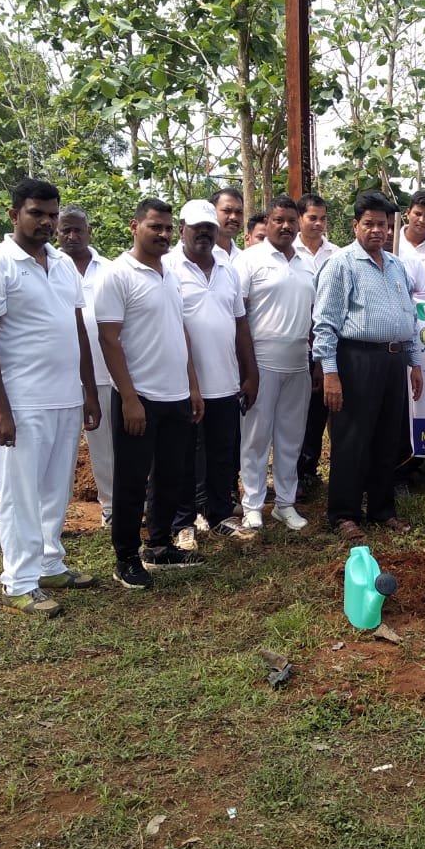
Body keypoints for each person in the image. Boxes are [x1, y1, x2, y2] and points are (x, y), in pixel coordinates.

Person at [0, 178, 101, 617]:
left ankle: (49, 563)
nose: (46, 222)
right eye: (36, 213)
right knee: (20, 493)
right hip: (22, 401)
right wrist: (1, 408)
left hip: (65, 397)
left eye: (52, 215)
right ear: (14, 215)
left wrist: (88, 391)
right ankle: (19, 581)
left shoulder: (62, 264)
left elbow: (77, 330)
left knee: (55, 489)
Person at [97, 198, 204, 586]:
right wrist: (129, 398)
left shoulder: (169, 273)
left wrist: (192, 386)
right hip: (139, 397)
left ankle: (159, 546)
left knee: (171, 476)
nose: (163, 234)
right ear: (135, 226)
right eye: (155, 226)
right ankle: (125, 557)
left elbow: (180, 332)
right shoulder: (118, 274)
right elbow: (109, 339)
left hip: (176, 396)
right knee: (131, 480)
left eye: (168, 228)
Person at [313, 190, 424, 540]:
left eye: (383, 225)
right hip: (356, 359)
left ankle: (382, 509)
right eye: (369, 224)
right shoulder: (341, 264)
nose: (377, 231)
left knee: (387, 437)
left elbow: (410, 317)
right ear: (355, 225)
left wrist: (414, 362)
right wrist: (330, 372)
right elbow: (325, 323)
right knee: (352, 439)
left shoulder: (396, 266)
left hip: (393, 360)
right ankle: (343, 514)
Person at [166, 199, 259, 546]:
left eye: (209, 228)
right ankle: (182, 522)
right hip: (182, 383)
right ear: (182, 230)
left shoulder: (227, 269)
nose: (204, 234)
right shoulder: (168, 268)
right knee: (184, 454)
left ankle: (219, 515)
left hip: (225, 380)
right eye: (197, 228)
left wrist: (250, 373)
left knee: (222, 452)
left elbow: (240, 325)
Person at [232, 195, 316, 531]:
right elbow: (238, 316)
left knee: (291, 437)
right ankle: (252, 504)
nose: (285, 226)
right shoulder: (250, 260)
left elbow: (313, 316)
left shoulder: (307, 263)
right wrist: (246, 369)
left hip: (298, 362)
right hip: (261, 362)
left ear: (299, 224)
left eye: (291, 221)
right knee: (255, 437)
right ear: (266, 223)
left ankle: (285, 503)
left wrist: (315, 360)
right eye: (278, 220)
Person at [57, 204, 115, 526]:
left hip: (104, 372)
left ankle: (111, 508)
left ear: (89, 232)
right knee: (60, 449)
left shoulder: (109, 269)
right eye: (65, 230)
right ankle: (55, 514)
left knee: (105, 445)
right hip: (62, 373)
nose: (71, 236)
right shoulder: (48, 268)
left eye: (77, 229)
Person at [294, 192, 338, 490]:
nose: (318, 224)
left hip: (325, 344)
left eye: (322, 218)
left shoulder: (337, 254)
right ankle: (291, 472)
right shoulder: (289, 251)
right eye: (312, 218)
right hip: (294, 342)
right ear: (300, 219)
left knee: (318, 410)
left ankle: (309, 471)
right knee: (293, 412)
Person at [209, 187, 245, 260]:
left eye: (239, 212)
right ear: (212, 212)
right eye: (227, 210)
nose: (234, 217)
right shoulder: (200, 255)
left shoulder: (243, 258)